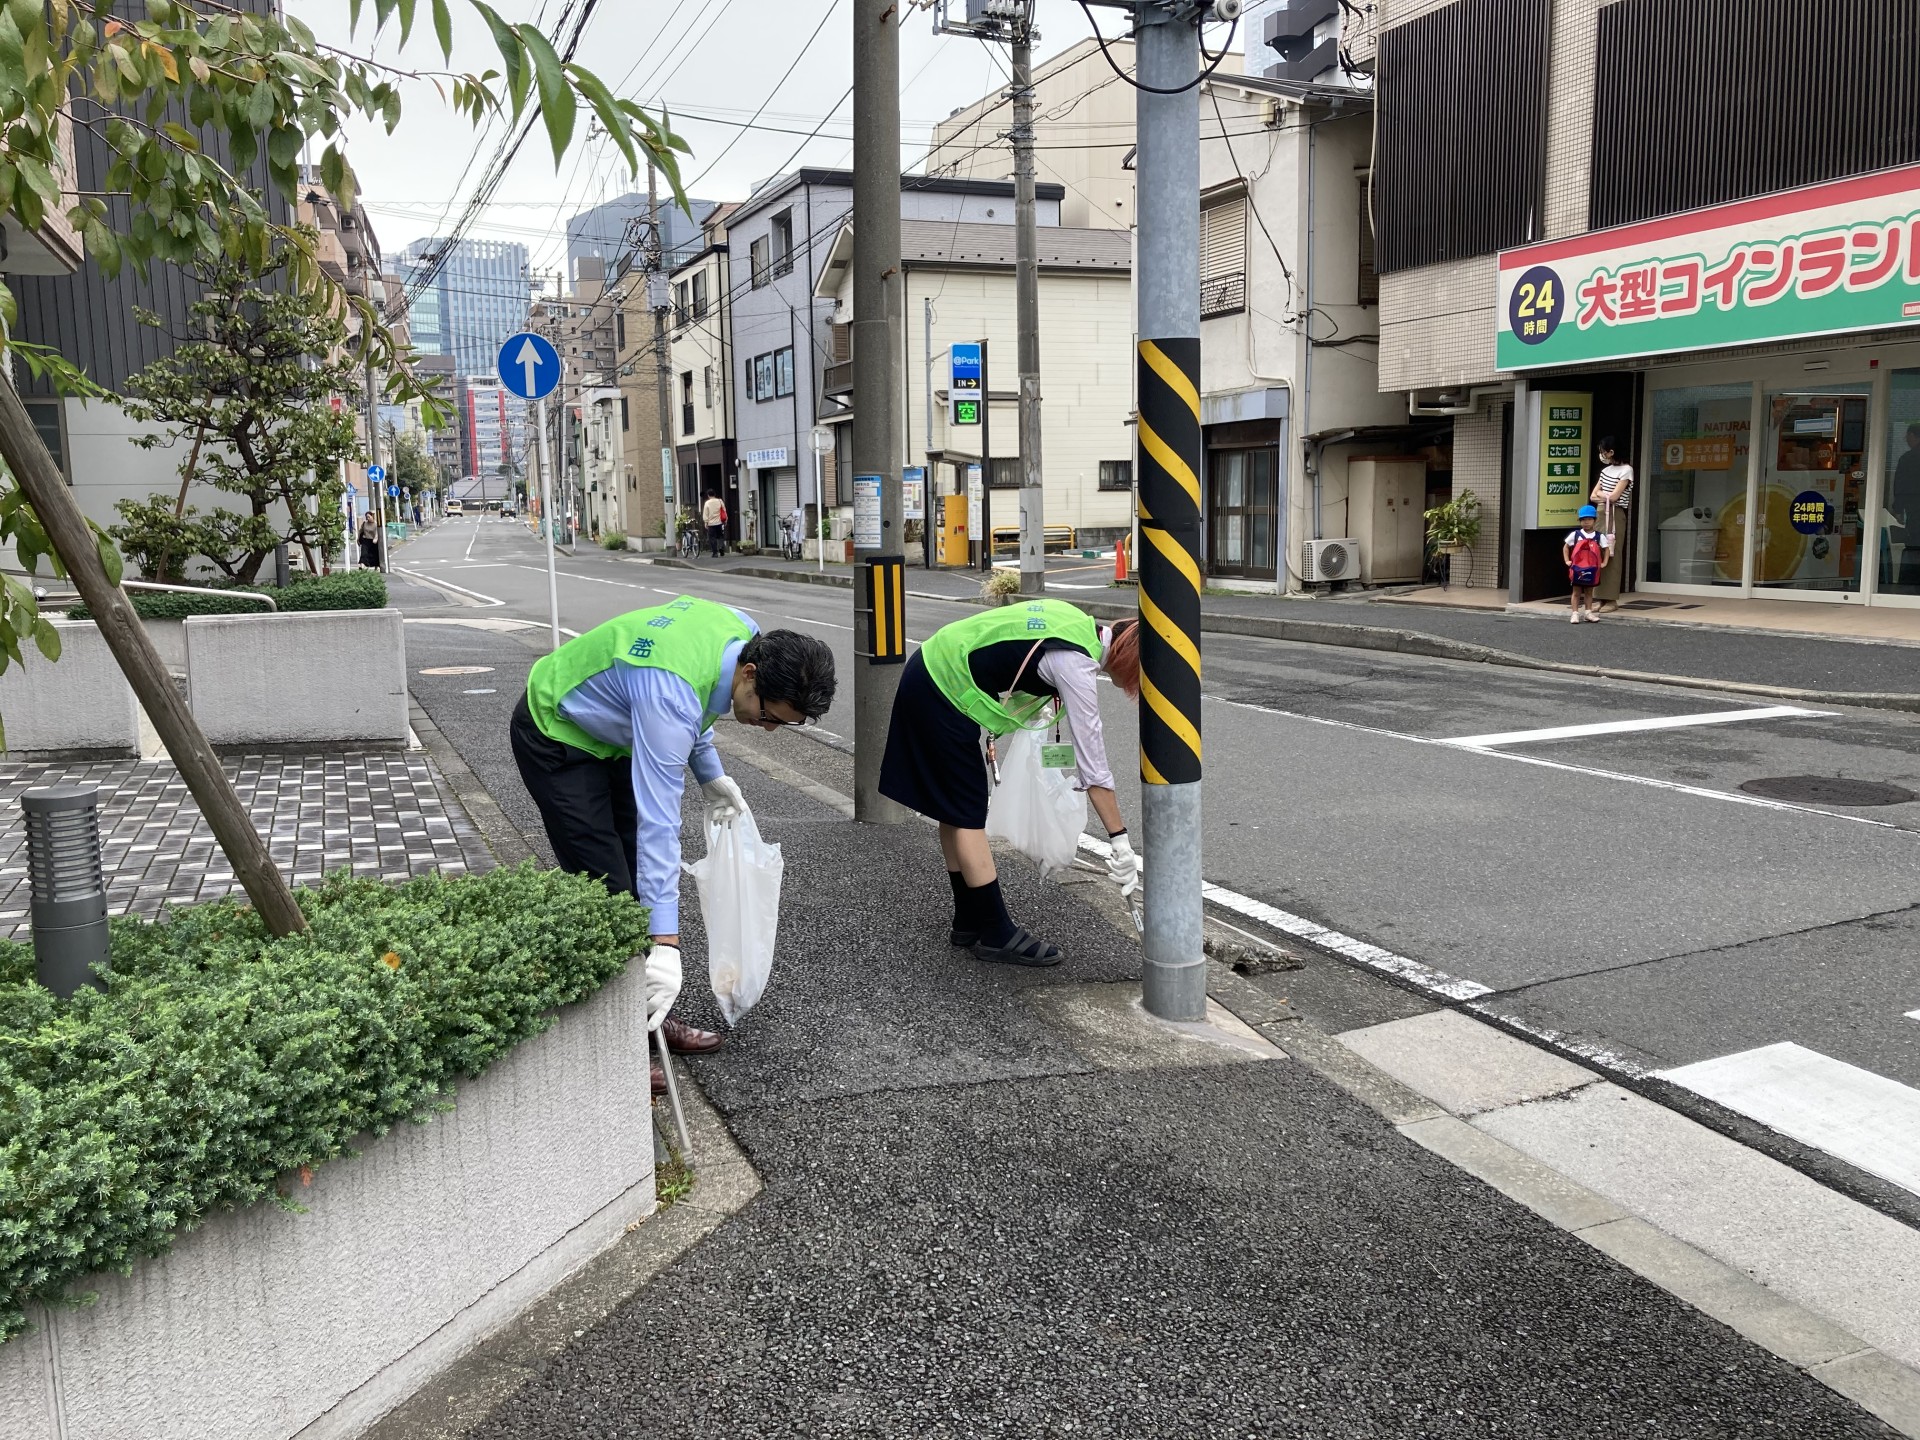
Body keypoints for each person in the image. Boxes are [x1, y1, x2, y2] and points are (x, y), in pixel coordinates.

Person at [510, 596, 837, 1093]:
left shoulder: (741, 630)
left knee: (633, 887)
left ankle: (648, 1018)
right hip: (558, 730)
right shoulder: (669, 690)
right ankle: (616, 1044)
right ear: (750, 673)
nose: (770, 729)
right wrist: (666, 942)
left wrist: (711, 775)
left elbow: (697, 708)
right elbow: (657, 822)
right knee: (608, 892)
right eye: (771, 716)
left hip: (618, 732)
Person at [879, 598, 1142, 966]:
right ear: (1130, 659)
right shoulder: (1076, 663)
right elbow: (1094, 767)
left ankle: (968, 920)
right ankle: (996, 932)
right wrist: (1120, 841)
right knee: (969, 815)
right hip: (943, 686)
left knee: (954, 809)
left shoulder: (1075, 623)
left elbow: (1014, 654)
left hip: (932, 668)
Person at [1590, 436, 1634, 610]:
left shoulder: (1626, 470)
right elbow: (1592, 495)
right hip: (1601, 513)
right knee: (1598, 552)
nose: (1601, 455)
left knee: (1612, 553)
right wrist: (1605, 496)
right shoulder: (1605, 470)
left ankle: (1611, 599)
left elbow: (1615, 497)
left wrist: (1603, 495)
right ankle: (1599, 598)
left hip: (1615, 514)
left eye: (1603, 451)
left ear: (1611, 452)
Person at [1564, 504, 1609, 622]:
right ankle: (1575, 613)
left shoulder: (1599, 536)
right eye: (1583, 520)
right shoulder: (1576, 534)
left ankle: (1588, 612)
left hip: (1592, 569)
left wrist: (1604, 562)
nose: (1586, 522)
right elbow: (1566, 547)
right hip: (1577, 568)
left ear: (1594, 520)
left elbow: (1606, 549)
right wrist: (1567, 560)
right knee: (1576, 591)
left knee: (1589, 591)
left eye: (1589, 519)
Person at [1893, 422, 1920, 588]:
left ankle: (1911, 582)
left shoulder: (1908, 459)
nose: (1905, 439)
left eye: (1907, 436)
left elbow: (1901, 486)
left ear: (1912, 436)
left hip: (1915, 510)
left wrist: (1898, 510)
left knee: (1914, 544)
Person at [702, 489, 727, 558]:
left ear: (708, 495)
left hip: (711, 524)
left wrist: (706, 522)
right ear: (714, 494)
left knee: (712, 538)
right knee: (720, 536)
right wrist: (726, 520)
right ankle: (721, 547)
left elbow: (705, 513)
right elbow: (724, 510)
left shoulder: (707, 503)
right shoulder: (720, 501)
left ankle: (715, 552)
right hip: (719, 522)